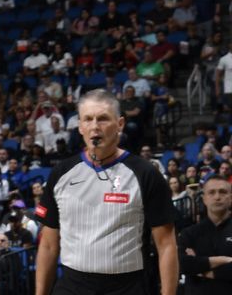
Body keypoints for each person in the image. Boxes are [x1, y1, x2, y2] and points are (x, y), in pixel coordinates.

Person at [35, 89, 177, 295]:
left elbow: (166, 245)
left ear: (119, 124)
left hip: (127, 287)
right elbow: (48, 245)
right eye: (88, 119)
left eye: (103, 119)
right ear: (80, 126)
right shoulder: (61, 173)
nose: (95, 127)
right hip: (72, 286)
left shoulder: (145, 173)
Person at [177, 175, 232, 294]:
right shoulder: (189, 233)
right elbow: (183, 264)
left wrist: (199, 267)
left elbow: (191, 266)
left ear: (231, 198)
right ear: (204, 199)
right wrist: (225, 260)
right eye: (211, 192)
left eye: (223, 192)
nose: (217, 197)